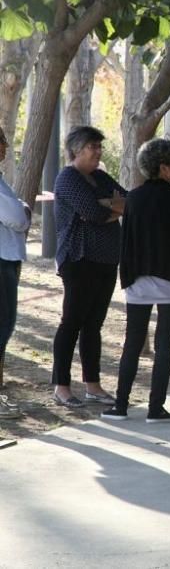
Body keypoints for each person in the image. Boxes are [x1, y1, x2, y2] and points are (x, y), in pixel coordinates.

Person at [102, 139, 170, 422]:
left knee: (132, 341)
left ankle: (120, 405)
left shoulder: (132, 199)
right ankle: (156, 408)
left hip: (138, 277)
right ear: (164, 168)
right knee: (164, 345)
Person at [51, 126, 125, 408]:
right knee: (72, 322)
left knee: (94, 324)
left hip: (106, 259)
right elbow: (92, 213)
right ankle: (61, 386)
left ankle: (93, 385)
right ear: (76, 149)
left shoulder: (100, 177)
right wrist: (108, 207)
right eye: (93, 146)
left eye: (99, 146)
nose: (98, 152)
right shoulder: (68, 178)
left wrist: (109, 204)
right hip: (78, 258)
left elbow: (128, 200)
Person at [0, 128, 30, 419]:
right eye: (1, 143)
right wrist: (23, 211)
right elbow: (18, 218)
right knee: (2, 326)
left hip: (7, 258)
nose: (5, 149)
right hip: (1, 260)